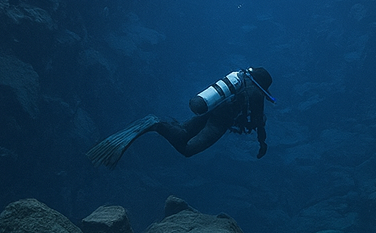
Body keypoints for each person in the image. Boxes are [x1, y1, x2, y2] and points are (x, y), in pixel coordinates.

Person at [87, 66, 274, 167]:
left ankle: (156, 125)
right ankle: (156, 124)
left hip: (210, 110)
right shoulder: (256, 93)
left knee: (183, 132)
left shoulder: (240, 80)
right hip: (218, 123)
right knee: (188, 149)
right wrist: (262, 142)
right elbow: (258, 121)